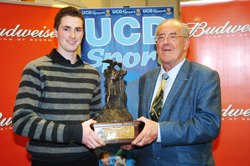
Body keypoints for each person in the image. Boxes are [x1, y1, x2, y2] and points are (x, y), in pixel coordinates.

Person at [12, 6, 105, 166]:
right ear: (55, 31)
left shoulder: (93, 74)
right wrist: (73, 133)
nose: (73, 35)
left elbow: (96, 118)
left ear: (83, 33)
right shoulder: (36, 69)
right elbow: (21, 121)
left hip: (87, 160)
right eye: (66, 29)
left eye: (78, 30)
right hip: (47, 161)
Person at [121, 19, 221, 165]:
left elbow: (208, 125)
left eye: (173, 36)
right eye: (161, 37)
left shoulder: (205, 77)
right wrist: (134, 142)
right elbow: (147, 125)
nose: (165, 42)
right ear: (156, 44)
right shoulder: (146, 79)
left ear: (186, 43)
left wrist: (159, 131)